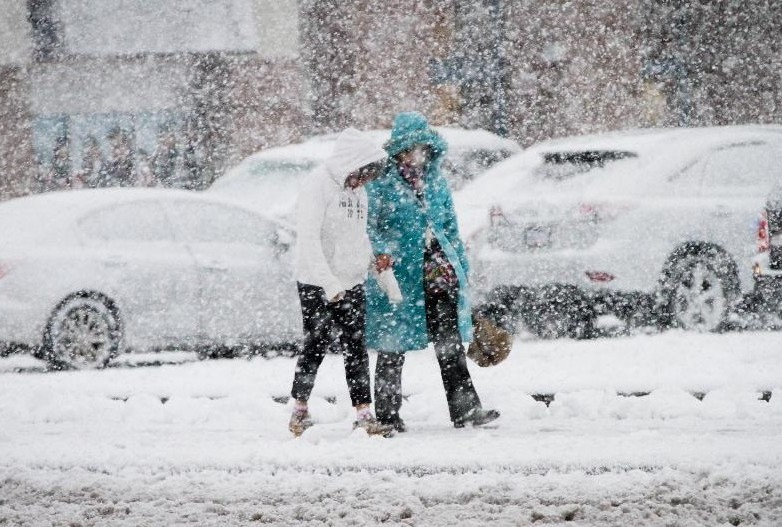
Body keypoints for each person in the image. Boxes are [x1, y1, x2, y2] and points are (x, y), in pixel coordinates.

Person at [365, 111, 500, 431]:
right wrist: (387, 255)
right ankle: (387, 414)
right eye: (412, 148)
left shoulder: (436, 181)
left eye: (423, 147)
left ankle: (466, 409)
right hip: (399, 277)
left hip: (438, 274)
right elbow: (370, 228)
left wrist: (461, 266)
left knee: (449, 344)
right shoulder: (381, 183)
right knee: (392, 346)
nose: (418, 155)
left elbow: (450, 227)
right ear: (399, 150)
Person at [288, 128, 393, 438]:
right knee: (315, 345)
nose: (363, 182)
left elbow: (357, 238)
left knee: (356, 347)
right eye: (362, 174)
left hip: (351, 280)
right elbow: (308, 239)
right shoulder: (318, 185)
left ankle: (364, 414)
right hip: (316, 281)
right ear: (351, 164)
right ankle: (299, 411)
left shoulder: (358, 193)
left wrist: (376, 266)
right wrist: (328, 284)